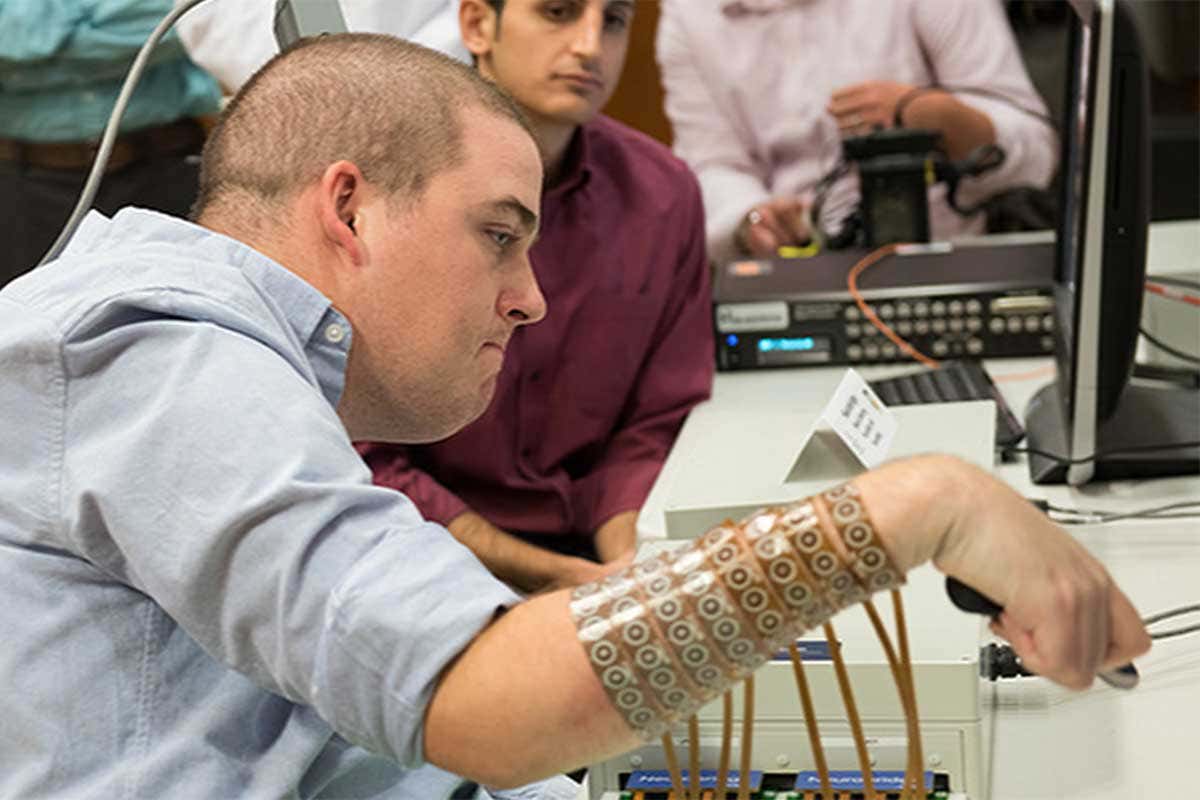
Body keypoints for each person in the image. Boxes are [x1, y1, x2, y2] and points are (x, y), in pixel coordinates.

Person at [0, 31, 1150, 800]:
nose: (532, 296)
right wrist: (915, 508)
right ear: (347, 205)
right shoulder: (155, 348)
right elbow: (483, 700)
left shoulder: (243, 359)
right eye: (499, 233)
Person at [183, 0, 715, 595]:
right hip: (400, 548)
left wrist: (627, 564)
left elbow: (655, 418)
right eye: (558, 12)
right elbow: (350, 436)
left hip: (596, 548)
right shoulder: (391, 187)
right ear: (477, 24)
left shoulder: (661, 194)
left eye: (613, 20)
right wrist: (562, 581)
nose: (590, 45)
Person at [656, 0, 1060, 264]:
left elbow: (1037, 154)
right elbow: (712, 165)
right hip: (798, 274)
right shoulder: (688, 16)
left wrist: (931, 114)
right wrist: (751, 218)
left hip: (951, 259)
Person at [0, 0, 222, 287]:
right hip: (26, 189)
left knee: (196, 306)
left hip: (167, 167)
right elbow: (14, 36)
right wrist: (121, 40)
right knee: (27, 323)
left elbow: (194, 19)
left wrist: (41, 53)